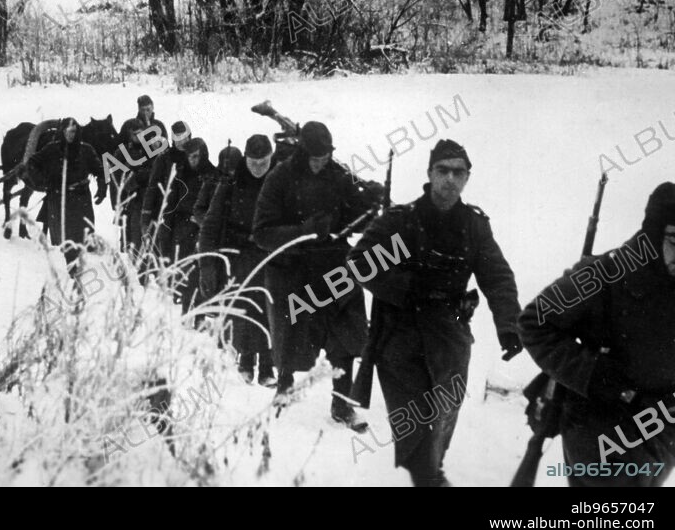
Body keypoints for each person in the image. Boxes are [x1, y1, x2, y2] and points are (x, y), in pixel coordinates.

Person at [349, 139, 523, 486]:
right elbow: (359, 264)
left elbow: (497, 276)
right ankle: (426, 477)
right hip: (402, 333)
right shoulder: (404, 222)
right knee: (413, 416)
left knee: (445, 410)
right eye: (443, 170)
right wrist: (405, 286)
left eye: (458, 172)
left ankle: (432, 467)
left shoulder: (473, 227)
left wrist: (509, 326)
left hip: (450, 333)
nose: (450, 179)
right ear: (429, 174)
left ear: (467, 178)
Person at [518, 182, 675, 487]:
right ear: (653, 236)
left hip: (661, 428)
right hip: (601, 427)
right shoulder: (604, 273)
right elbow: (533, 322)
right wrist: (594, 373)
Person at [252, 121, 382, 429]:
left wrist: (371, 203)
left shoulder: (338, 176)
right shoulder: (279, 177)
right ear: (301, 152)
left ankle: (343, 403)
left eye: (325, 157)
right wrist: (302, 232)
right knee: (290, 336)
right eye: (315, 157)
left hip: (332, 264)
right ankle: (283, 389)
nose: (320, 162)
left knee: (347, 332)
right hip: (291, 267)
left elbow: (356, 220)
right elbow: (261, 233)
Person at [199, 134, 276, 386]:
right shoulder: (230, 185)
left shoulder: (279, 184)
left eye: (263, 163)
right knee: (244, 309)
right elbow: (210, 225)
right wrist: (207, 265)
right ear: (246, 159)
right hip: (240, 255)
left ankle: (267, 367)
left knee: (269, 310)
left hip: (270, 255)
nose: (258, 169)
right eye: (253, 163)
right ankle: (245, 361)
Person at [27, 117, 107, 266]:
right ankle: (73, 266)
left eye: (74, 132)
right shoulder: (52, 149)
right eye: (68, 132)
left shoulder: (86, 150)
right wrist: (43, 182)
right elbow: (32, 163)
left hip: (82, 197)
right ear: (62, 132)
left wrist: (103, 188)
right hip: (61, 199)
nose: (71, 135)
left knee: (85, 234)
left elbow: (102, 170)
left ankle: (77, 261)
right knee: (67, 236)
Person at [167, 137, 216, 313]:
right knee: (183, 265)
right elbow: (171, 201)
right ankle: (184, 303)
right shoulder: (181, 174)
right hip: (183, 225)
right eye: (190, 157)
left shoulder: (213, 174)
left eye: (196, 156)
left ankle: (200, 308)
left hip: (202, 227)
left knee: (200, 269)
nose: (193, 160)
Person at [141, 120, 193, 258]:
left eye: (184, 137)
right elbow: (151, 188)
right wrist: (146, 217)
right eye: (177, 138)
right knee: (165, 256)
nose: (182, 142)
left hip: (187, 217)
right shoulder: (164, 159)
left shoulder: (195, 157)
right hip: (166, 216)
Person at [109, 117, 153, 252]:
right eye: (135, 134)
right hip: (130, 201)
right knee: (130, 240)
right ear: (129, 134)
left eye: (141, 133)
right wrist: (117, 204)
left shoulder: (152, 150)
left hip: (148, 199)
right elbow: (115, 180)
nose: (139, 137)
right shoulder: (121, 153)